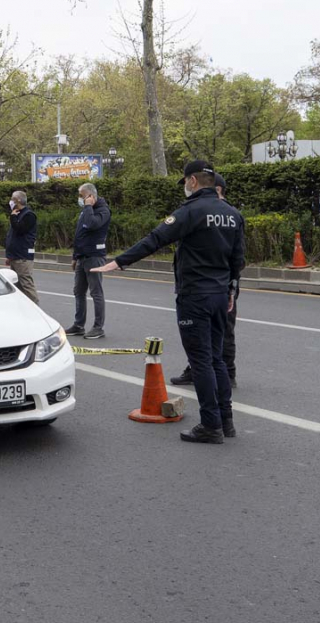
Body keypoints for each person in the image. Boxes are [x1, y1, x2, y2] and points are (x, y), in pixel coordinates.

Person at [91, 161, 245, 444]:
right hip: (220, 295)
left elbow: (155, 239)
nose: (185, 187)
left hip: (194, 296)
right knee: (216, 359)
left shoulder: (190, 212)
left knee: (201, 363)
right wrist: (232, 290)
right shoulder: (233, 215)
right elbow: (238, 259)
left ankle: (210, 425)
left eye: (185, 182)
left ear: (194, 181)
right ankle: (226, 421)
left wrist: (118, 263)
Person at [171, 173, 239, 388]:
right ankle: (200, 369)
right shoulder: (222, 213)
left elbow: (235, 256)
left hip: (214, 286)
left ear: (216, 189)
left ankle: (226, 373)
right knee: (203, 337)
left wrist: (231, 286)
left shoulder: (224, 213)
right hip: (216, 285)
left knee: (222, 333)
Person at [65, 183, 111, 339]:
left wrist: (88, 207)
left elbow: (92, 225)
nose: (80, 199)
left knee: (96, 293)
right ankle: (79, 325)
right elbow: (80, 234)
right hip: (82, 257)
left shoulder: (103, 211)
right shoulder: (86, 210)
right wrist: (75, 256)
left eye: (82, 195)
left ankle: (98, 327)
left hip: (94, 256)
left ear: (91, 196)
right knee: (78, 291)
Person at [4, 190, 39, 304]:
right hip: (15, 256)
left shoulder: (28, 215)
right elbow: (13, 237)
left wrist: (13, 218)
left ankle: (36, 309)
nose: (11, 201)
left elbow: (20, 230)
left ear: (18, 200)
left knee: (26, 284)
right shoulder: (17, 213)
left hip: (23, 256)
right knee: (17, 286)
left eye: (12, 198)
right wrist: (9, 255)